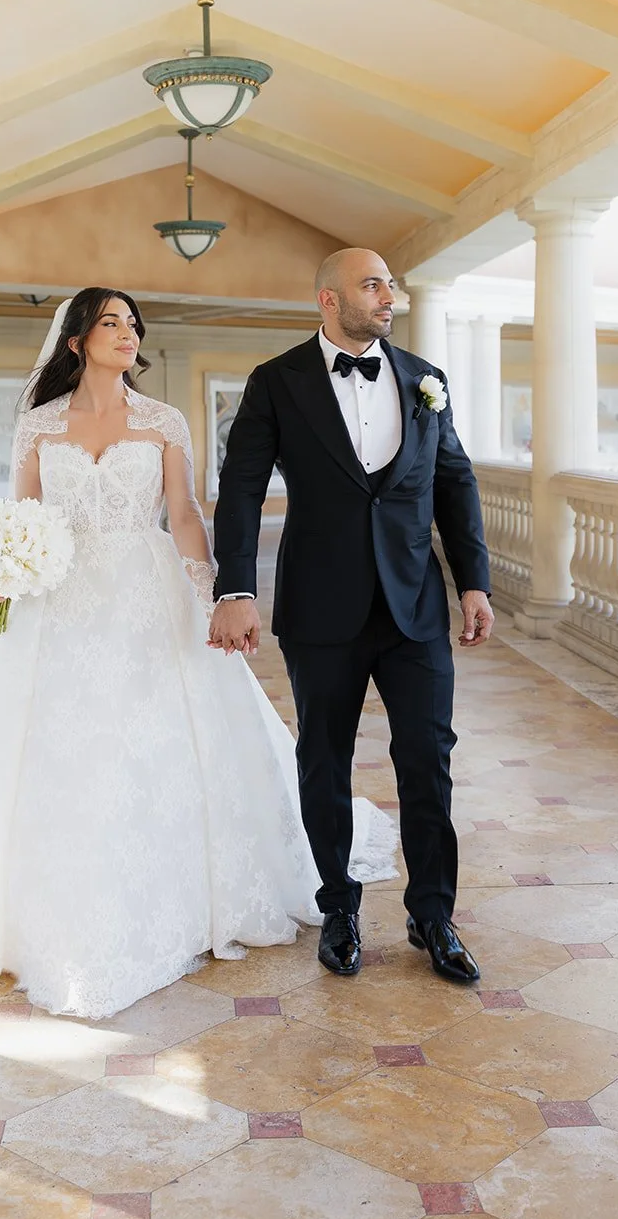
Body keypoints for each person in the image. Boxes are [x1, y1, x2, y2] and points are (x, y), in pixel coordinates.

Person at [0, 287, 396, 1020]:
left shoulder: (161, 421)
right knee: (60, 747)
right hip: (57, 601)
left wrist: (210, 592)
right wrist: (10, 572)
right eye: (110, 323)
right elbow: (22, 515)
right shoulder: (38, 426)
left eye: (131, 324)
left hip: (148, 592)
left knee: (155, 738)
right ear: (76, 340)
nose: (126, 334)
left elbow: (182, 512)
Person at [210, 249, 494, 984]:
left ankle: (433, 914)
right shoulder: (277, 382)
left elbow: (454, 482)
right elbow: (240, 488)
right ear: (329, 300)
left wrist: (473, 582)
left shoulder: (424, 379)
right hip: (319, 605)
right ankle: (337, 907)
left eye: (390, 284)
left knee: (427, 762)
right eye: (372, 285)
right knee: (323, 761)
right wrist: (233, 587)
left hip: (416, 606)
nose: (388, 296)